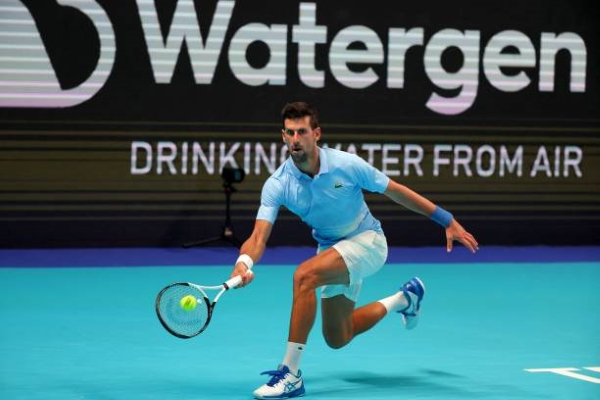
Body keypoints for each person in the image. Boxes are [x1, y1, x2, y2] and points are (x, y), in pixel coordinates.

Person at [229, 102, 479, 399]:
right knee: (338, 336)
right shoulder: (278, 184)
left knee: (304, 276)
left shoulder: (346, 165)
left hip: (368, 242)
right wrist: (244, 261)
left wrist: (446, 219)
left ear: (316, 134)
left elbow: (396, 190)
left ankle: (290, 374)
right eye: (290, 133)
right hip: (332, 251)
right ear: (283, 136)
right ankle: (404, 298)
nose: (296, 139)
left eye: (302, 132)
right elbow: (258, 236)